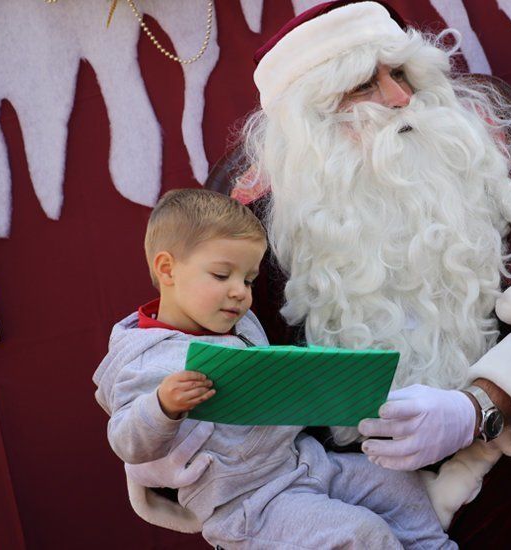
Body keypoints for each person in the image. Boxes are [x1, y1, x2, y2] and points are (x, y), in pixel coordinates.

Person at [127, 1, 511, 547]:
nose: (401, 97)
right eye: (364, 85)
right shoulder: (258, 243)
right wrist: (166, 436)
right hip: (337, 495)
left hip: (495, 463)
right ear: (310, 125)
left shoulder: (479, 182)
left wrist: (474, 406)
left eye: (401, 73)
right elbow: (194, 364)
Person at [93, 188, 454, 549]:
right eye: (222, 276)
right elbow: (127, 442)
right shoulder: (144, 358)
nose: (240, 292)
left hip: (303, 462)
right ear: (167, 269)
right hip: (248, 502)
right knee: (358, 533)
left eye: (248, 280)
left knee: (398, 484)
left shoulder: (241, 322)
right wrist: (162, 405)